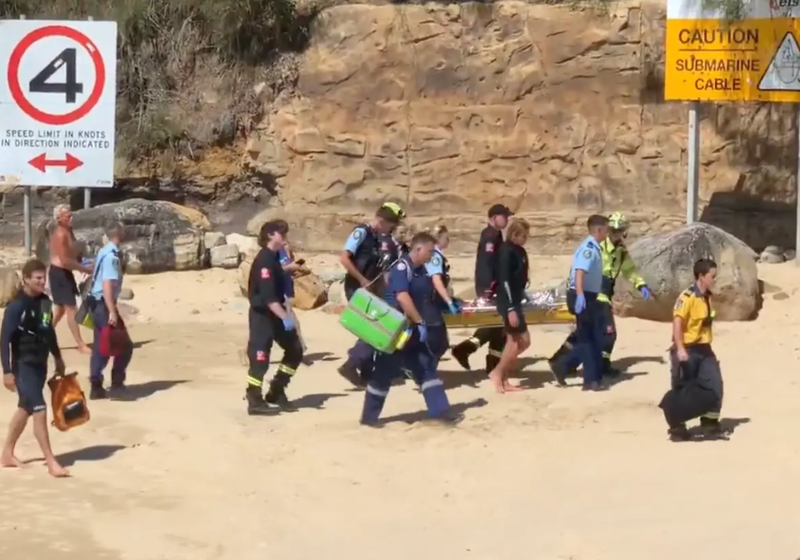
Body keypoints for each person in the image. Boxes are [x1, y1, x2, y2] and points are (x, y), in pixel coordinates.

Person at [361, 232, 462, 426]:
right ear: (417, 249)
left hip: (414, 331)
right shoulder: (402, 268)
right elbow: (402, 297)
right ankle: (369, 418)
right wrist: (420, 322)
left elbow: (425, 297)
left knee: (426, 368)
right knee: (384, 372)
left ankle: (441, 411)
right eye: (429, 251)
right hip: (398, 331)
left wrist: (449, 305)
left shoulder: (422, 271)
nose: (431, 256)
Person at [548, 211, 651, 377]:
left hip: (603, 293)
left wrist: (641, 285)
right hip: (592, 294)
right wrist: (580, 294)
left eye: (620, 231)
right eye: (615, 231)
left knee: (587, 332)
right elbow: (580, 269)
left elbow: (630, 270)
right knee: (607, 332)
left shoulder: (620, 251)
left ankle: (562, 362)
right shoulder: (597, 246)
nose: (617, 235)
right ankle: (597, 366)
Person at [1, 259, 69, 477]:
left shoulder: (45, 303)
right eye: (37, 278)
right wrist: (7, 371)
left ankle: (7, 454)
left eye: (43, 277)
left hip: (41, 364)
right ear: (26, 279)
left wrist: (58, 357)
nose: (42, 281)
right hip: (23, 366)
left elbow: (48, 331)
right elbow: (4, 340)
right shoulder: (16, 306)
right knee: (39, 408)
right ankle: (51, 462)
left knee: (26, 407)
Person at [337, 202, 405, 387]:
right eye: (391, 225)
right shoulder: (362, 232)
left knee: (372, 328)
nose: (392, 229)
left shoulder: (377, 237)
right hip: (357, 288)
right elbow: (344, 258)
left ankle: (366, 373)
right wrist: (361, 280)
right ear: (382, 220)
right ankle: (352, 364)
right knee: (372, 328)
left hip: (370, 289)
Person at [658, 258, 726, 442]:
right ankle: (677, 428)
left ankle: (710, 424)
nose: (715, 279)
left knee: (715, 384)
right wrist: (680, 349)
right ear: (701, 277)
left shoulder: (707, 296)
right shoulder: (687, 297)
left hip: (704, 349)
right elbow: (677, 322)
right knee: (683, 390)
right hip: (687, 349)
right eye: (712, 276)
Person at [245, 220, 305, 415]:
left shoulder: (273, 258)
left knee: (295, 350)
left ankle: (277, 390)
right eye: (282, 234)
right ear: (271, 235)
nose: (285, 238)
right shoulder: (264, 261)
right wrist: (286, 317)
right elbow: (269, 297)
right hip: (263, 316)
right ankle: (254, 399)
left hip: (276, 314)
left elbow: (279, 275)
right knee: (260, 358)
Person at [450, 204, 513, 373]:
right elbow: (486, 264)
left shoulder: (496, 234)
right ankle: (474, 354)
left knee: (498, 325)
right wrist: (487, 289)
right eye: (504, 216)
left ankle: (476, 355)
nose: (507, 220)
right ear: (494, 218)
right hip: (489, 288)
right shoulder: (490, 236)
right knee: (498, 324)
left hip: (495, 287)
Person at [550, 215, 609, 391]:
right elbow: (580, 272)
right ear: (598, 230)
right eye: (606, 229)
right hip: (581, 295)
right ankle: (589, 380)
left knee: (590, 336)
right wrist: (581, 294)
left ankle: (562, 366)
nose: (607, 233)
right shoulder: (589, 249)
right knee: (587, 338)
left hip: (589, 295)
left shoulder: (594, 247)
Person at [88, 223, 133, 400]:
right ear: (119, 234)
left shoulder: (103, 251)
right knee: (122, 345)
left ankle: (97, 384)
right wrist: (112, 311)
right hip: (103, 305)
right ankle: (115, 382)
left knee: (102, 345)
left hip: (97, 303)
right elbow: (107, 284)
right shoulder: (112, 257)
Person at [488, 219, 531, 393]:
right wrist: (511, 308)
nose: (526, 239)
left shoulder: (519, 251)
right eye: (524, 236)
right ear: (514, 235)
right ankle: (497, 373)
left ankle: (503, 377)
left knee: (521, 341)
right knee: (516, 341)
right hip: (508, 301)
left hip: (516, 299)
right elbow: (504, 280)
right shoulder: (506, 251)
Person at [48, 204, 93, 354]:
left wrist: (83, 261)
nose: (71, 217)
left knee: (60, 310)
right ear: (59, 218)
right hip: (59, 273)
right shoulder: (60, 234)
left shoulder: (69, 230)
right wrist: (85, 269)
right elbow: (65, 260)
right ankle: (80, 344)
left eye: (71, 214)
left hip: (65, 272)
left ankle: (41, 336)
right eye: (67, 215)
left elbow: (73, 251)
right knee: (71, 308)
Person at [424, 225, 460, 370]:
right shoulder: (435, 257)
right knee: (437, 343)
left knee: (440, 343)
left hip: (432, 301)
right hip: (430, 302)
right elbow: (436, 280)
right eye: (446, 238)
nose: (449, 241)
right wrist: (448, 301)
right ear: (438, 239)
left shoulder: (435, 255)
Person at [277, 237, 308, 356]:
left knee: (268, 326)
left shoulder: (285, 250)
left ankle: (299, 348)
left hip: (286, 291)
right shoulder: (272, 253)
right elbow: (275, 270)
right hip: (278, 292)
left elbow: (290, 267)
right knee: (293, 322)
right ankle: (300, 348)